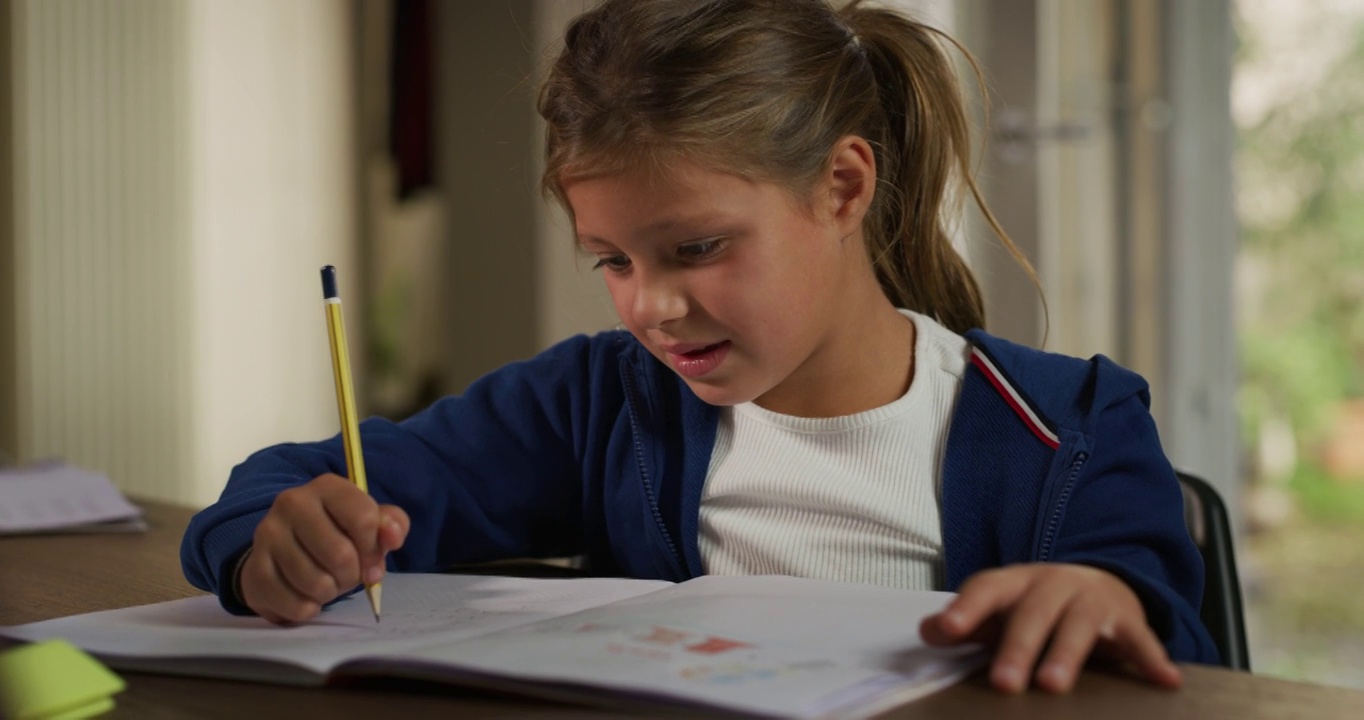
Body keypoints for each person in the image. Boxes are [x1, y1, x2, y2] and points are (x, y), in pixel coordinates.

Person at [181, 0, 1219, 695]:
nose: (651, 309)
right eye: (612, 263)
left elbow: (1172, 648)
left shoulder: (1070, 425)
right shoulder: (596, 403)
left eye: (694, 249)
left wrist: (1103, 601)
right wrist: (272, 537)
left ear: (842, 187)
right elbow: (294, 486)